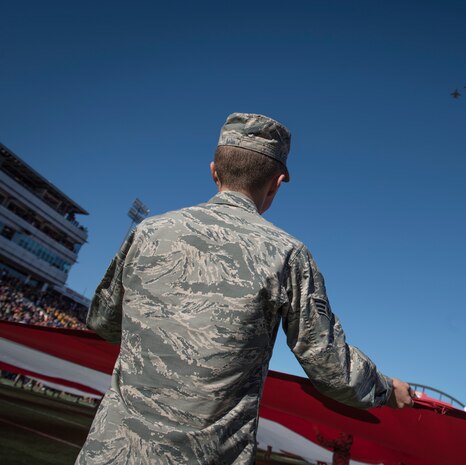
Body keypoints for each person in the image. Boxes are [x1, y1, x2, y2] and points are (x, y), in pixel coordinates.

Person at [76, 112, 414, 465]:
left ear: (214, 171)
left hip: (110, 454)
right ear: (277, 183)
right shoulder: (287, 255)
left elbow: (103, 322)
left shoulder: (148, 232)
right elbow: (330, 367)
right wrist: (387, 389)